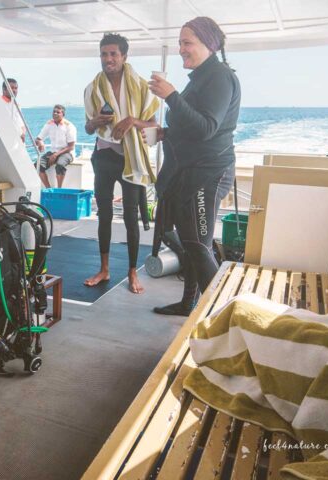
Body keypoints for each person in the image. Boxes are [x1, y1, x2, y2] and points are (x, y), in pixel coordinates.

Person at [147, 17, 241, 315]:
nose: (180, 49)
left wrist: (171, 96)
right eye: (180, 43)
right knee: (186, 241)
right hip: (188, 171)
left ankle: (219, 318)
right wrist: (164, 133)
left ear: (209, 45)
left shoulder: (220, 77)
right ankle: (188, 303)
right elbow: (191, 125)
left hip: (209, 172)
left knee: (198, 245)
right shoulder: (201, 78)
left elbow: (206, 128)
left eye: (187, 43)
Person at [83, 33, 160, 294]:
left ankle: (131, 273)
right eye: (104, 54)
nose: (108, 59)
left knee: (130, 217)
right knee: (104, 215)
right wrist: (95, 122)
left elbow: (155, 126)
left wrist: (132, 121)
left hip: (131, 158)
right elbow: (88, 128)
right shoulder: (92, 88)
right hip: (104, 157)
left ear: (124, 56)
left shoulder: (140, 86)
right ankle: (104, 269)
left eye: (114, 54)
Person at [35, 104, 76, 188]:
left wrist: (56, 155)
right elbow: (38, 139)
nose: (55, 113)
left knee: (60, 165)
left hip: (67, 153)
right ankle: (48, 188)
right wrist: (40, 142)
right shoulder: (49, 124)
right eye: (54, 111)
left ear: (63, 114)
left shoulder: (69, 126)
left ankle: (59, 189)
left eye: (58, 112)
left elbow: (71, 146)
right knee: (37, 166)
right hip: (53, 152)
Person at [2, 78, 26, 142]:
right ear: (4, 89)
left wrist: (23, 134)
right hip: (6, 141)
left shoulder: (17, 105)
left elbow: (22, 124)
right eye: (12, 88)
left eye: (16, 88)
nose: (14, 90)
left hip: (19, 141)